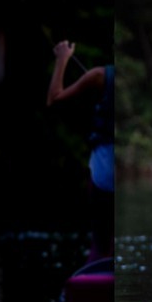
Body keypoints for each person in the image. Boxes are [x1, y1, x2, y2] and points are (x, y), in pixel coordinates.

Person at [47, 40, 114, 264]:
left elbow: (55, 100)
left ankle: (94, 269)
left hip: (104, 170)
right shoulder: (100, 77)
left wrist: (62, 58)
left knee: (100, 241)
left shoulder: (99, 76)